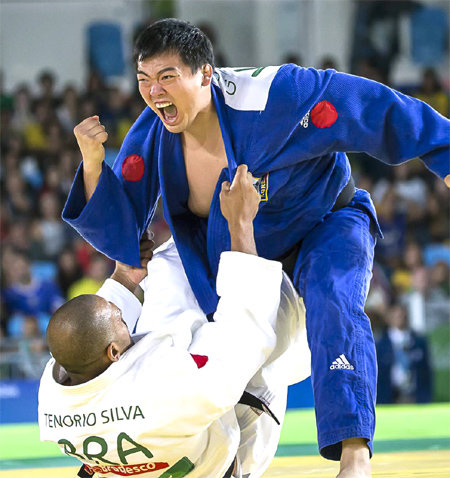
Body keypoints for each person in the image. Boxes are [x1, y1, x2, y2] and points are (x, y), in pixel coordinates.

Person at [62, 19, 450, 478]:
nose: (154, 92)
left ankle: (354, 456)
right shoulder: (152, 132)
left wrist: (444, 153)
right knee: (165, 298)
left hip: (323, 224)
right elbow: (125, 238)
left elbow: (368, 105)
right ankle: (146, 447)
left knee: (334, 298)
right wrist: (91, 164)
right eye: (145, 79)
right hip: (234, 256)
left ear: (205, 73)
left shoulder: (275, 97)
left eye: (168, 77)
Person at [39, 166, 310, 478]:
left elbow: (91, 329)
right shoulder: (168, 390)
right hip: (229, 453)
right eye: (124, 323)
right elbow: (246, 337)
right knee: (277, 316)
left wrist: (123, 278)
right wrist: (240, 224)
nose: (127, 319)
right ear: (113, 353)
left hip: (160, 429)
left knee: (167, 268)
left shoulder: (58, 388)